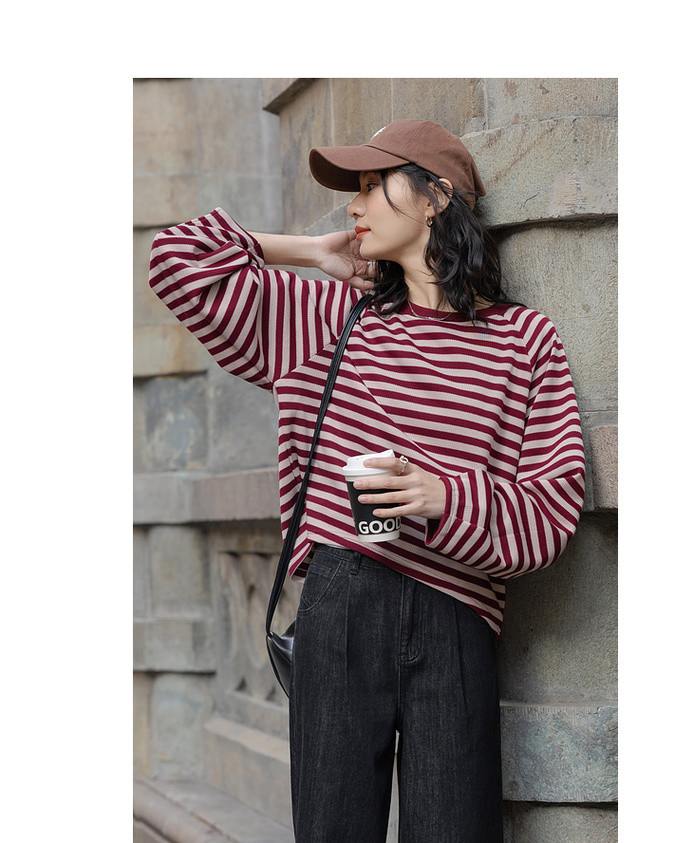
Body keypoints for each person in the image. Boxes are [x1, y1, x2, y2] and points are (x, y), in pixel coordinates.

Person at [149, 118, 586, 842]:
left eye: (374, 185)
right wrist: (305, 251)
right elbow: (177, 259)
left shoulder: (523, 341)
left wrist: (442, 495)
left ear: (435, 197)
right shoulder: (327, 320)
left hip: (459, 615)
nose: (354, 206)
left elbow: (551, 511)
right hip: (341, 603)